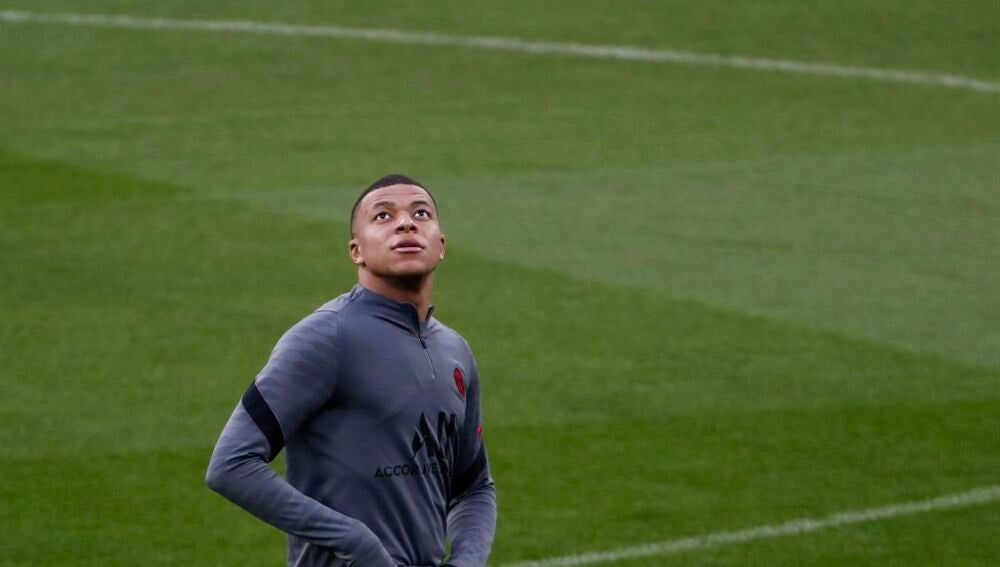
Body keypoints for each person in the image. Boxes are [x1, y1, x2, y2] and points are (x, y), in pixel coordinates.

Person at [206, 174, 497, 566]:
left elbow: (474, 486)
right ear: (356, 251)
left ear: (441, 245)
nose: (406, 223)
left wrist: (466, 560)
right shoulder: (325, 337)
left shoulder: (455, 351)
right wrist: (358, 544)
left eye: (421, 213)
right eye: (383, 216)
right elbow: (231, 464)